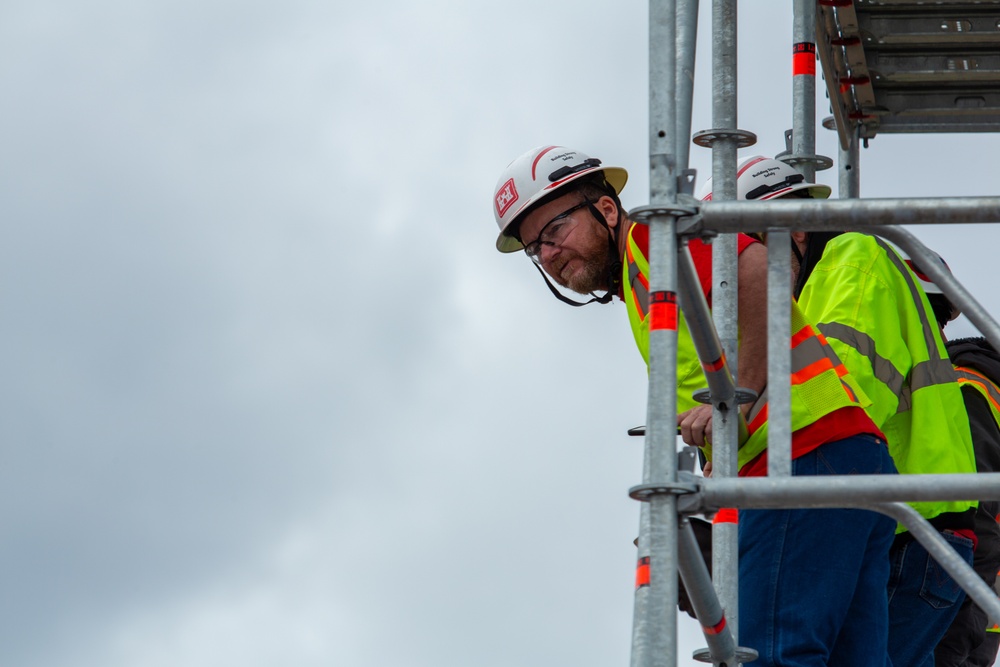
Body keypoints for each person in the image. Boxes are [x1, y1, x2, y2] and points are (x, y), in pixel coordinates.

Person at [492, 145, 898, 667]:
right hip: (841, 453)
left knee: (772, 657)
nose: (547, 255)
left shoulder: (655, 239)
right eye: (534, 249)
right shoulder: (642, 281)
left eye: (555, 232)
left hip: (799, 453)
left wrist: (739, 398)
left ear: (607, 211)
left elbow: (756, 270)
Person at [723, 156, 979, 667]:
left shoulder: (851, 258)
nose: (740, 282)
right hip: (901, 525)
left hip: (909, 533)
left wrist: (746, 433)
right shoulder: (826, 280)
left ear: (790, 232)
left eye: (743, 257)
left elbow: (850, 393)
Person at [902, 256, 1000, 667]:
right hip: (975, 601)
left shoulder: (961, 389)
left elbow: (971, 507)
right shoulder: (975, 383)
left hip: (956, 596)